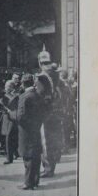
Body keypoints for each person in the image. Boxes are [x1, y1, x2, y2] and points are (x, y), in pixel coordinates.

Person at [10, 73, 43, 190]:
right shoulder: (37, 95)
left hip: (26, 131)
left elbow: (20, 117)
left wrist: (9, 113)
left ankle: (28, 183)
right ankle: (35, 181)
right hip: (36, 129)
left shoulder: (24, 96)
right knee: (36, 156)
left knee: (28, 157)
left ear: (23, 84)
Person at [35, 49, 64, 177]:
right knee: (53, 140)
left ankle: (48, 169)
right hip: (56, 112)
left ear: (40, 63)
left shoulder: (41, 77)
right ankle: (51, 167)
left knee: (45, 142)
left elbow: (39, 96)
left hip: (45, 114)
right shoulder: (57, 77)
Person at [0, 80, 19, 164]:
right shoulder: (3, 96)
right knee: (9, 137)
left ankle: (11, 156)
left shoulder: (16, 96)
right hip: (7, 118)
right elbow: (0, 106)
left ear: (12, 87)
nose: (6, 88)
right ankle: (12, 155)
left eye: (9, 86)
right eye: (6, 86)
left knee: (10, 137)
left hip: (13, 118)